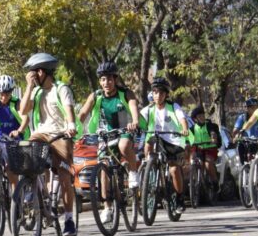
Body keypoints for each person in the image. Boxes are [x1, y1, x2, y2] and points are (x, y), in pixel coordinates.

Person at [10, 52, 78, 236]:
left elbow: (69, 111)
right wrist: (28, 87)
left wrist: (71, 126)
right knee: (26, 156)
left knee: (64, 177)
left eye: (34, 73)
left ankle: (70, 219)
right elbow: (23, 110)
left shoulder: (61, 88)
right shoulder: (36, 91)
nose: (32, 75)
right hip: (40, 134)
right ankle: (36, 192)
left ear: (42, 72)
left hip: (60, 134)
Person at [77, 61, 140, 224]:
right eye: (103, 79)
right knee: (104, 169)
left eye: (110, 79)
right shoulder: (96, 95)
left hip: (124, 128)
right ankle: (107, 208)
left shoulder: (125, 93)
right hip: (105, 134)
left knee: (124, 146)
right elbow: (83, 112)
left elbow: (133, 106)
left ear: (115, 79)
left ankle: (133, 172)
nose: (106, 83)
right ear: (100, 81)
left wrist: (134, 121)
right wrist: (74, 123)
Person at [144, 77, 189, 214]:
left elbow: (182, 119)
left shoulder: (173, 106)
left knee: (174, 170)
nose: (158, 96)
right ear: (152, 93)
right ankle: (149, 173)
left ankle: (180, 198)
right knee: (147, 146)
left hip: (173, 140)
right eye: (155, 92)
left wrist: (184, 128)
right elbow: (139, 119)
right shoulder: (149, 108)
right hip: (155, 136)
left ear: (166, 95)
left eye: (161, 93)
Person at [0, 74, 27, 190]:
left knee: (10, 168)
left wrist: (19, 131)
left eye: (7, 94)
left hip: (12, 138)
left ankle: (16, 197)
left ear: (11, 92)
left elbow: (25, 119)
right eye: (1, 94)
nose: (4, 97)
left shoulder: (16, 102)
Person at [188, 105, 220, 189]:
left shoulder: (209, 125)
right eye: (199, 116)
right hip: (199, 149)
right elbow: (187, 139)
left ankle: (215, 182)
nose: (202, 117)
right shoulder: (192, 129)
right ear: (195, 119)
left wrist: (213, 138)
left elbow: (213, 132)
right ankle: (197, 181)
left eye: (203, 115)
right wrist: (186, 143)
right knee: (194, 161)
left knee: (208, 164)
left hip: (210, 148)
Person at [232, 97, 258, 164]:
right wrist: (236, 135)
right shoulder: (242, 118)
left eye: (257, 107)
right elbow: (236, 130)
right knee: (241, 151)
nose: (255, 110)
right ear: (247, 108)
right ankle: (244, 169)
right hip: (245, 142)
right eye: (252, 108)